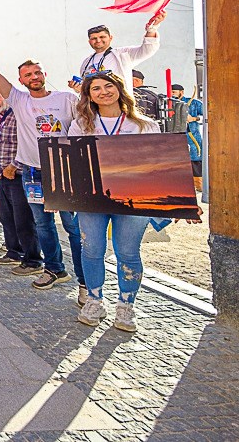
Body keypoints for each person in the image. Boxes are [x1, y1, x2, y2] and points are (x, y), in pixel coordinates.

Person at [0, 31, 86, 301]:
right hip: (32, 173)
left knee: (73, 227)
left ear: (44, 74)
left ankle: (84, 280)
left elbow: (85, 125)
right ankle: (55, 268)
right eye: (28, 75)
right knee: (43, 225)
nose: (34, 77)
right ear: (21, 80)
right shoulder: (19, 100)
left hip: (64, 173)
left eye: (38, 73)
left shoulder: (66, 99)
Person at [69, 71, 161, 332]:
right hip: (91, 199)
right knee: (92, 249)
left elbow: (159, 165)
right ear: (89, 96)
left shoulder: (143, 125)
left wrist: (176, 200)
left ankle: (126, 305)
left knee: (128, 252)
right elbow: (71, 164)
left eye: (108, 86)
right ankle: (95, 300)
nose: (103, 92)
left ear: (120, 89)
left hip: (134, 199)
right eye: (95, 88)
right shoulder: (81, 125)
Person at [0, 85, 43, 277]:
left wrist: (14, 165)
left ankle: (33, 260)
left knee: (24, 220)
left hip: (17, 174)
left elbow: (28, 143)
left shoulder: (18, 115)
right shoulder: (0, 117)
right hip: (2, 175)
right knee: (7, 217)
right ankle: (14, 252)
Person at [75, 12, 166, 89]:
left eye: (102, 37)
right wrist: (78, 88)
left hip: (118, 105)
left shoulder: (123, 54)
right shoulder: (87, 62)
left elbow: (148, 50)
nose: (98, 40)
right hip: (93, 107)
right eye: (94, 38)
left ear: (110, 38)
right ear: (89, 41)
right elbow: (86, 86)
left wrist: (152, 28)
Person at [171, 83, 204, 190]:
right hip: (176, 139)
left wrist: (194, 119)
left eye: (174, 92)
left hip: (192, 138)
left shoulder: (194, 103)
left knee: (195, 161)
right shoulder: (169, 104)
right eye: (171, 92)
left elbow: (209, 115)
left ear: (182, 92)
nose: (172, 94)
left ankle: (199, 186)